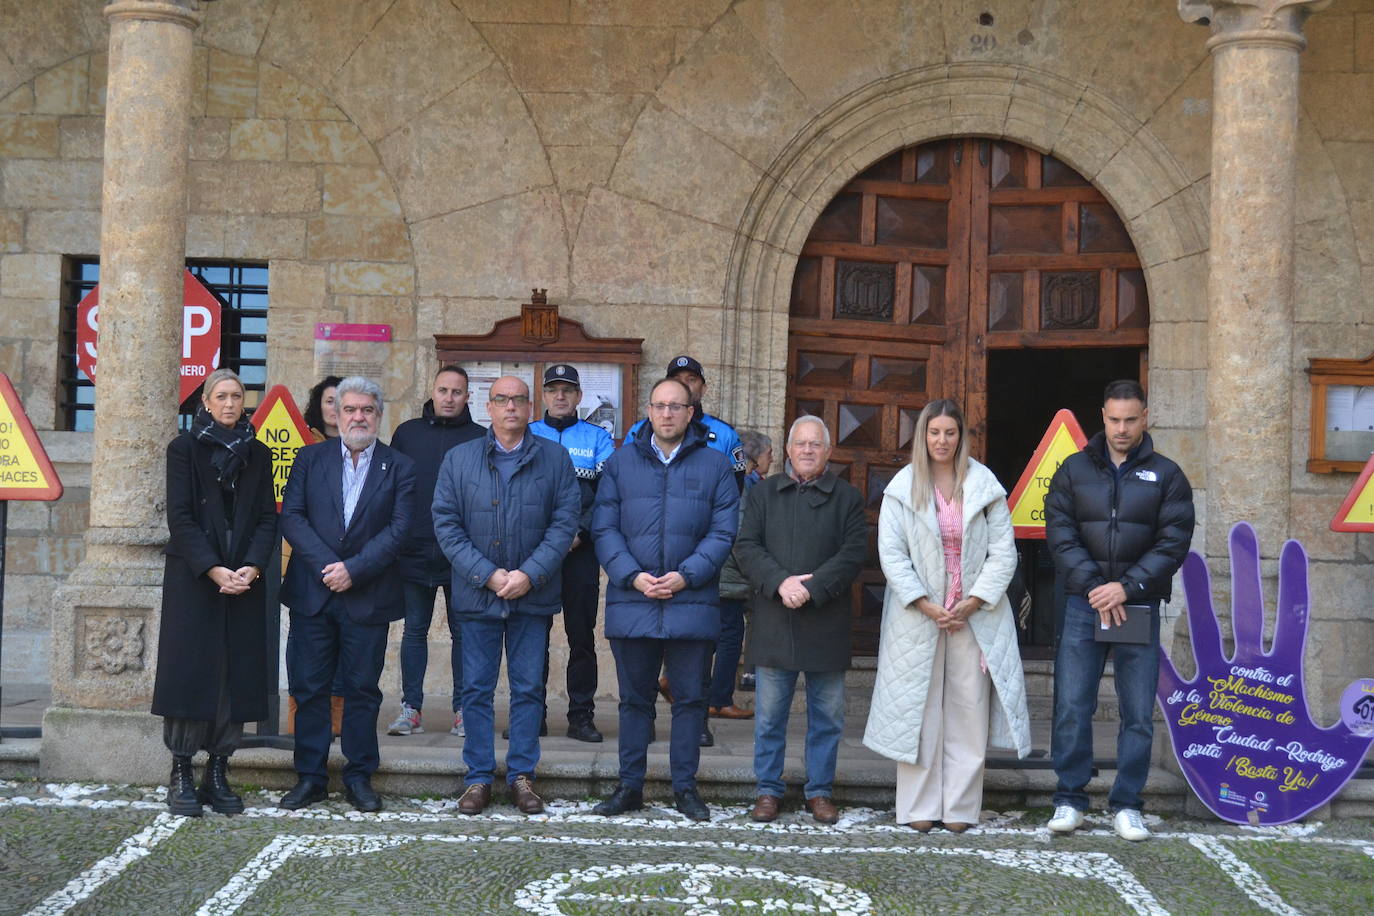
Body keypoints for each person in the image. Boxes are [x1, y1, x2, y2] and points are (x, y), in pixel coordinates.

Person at [864, 398, 1031, 833]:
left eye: (950, 433)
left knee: (967, 709)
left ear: (961, 437)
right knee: (918, 711)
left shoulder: (985, 485)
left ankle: (959, 807)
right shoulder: (903, 486)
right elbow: (892, 554)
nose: (942, 440)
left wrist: (974, 600)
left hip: (974, 614)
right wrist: (923, 601)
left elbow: (1003, 552)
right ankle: (917, 806)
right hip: (919, 615)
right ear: (923, 435)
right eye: (934, 432)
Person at [1044, 379, 1194, 842]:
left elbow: (1174, 542)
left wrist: (1125, 588)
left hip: (1138, 606)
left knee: (1135, 711)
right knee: (1071, 704)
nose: (1122, 428)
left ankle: (1128, 804)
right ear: (1102, 415)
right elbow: (1060, 533)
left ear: (1145, 417)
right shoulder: (1072, 469)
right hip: (1084, 604)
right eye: (1114, 419)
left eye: (1131, 419)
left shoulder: (1167, 475)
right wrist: (1096, 587)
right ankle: (1069, 799)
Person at [590, 376, 739, 821]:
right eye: (659, 406)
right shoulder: (620, 464)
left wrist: (685, 576)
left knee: (691, 701)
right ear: (649, 411)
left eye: (676, 406)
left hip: (689, 601)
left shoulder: (714, 465)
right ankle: (629, 787)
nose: (668, 413)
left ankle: (686, 789)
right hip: (633, 601)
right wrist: (632, 576)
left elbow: (724, 531)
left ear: (691, 412)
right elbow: (604, 527)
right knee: (634, 701)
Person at [432, 376, 580, 816]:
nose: (511, 407)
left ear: (529, 407)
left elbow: (564, 522)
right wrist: (489, 575)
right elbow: (446, 523)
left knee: (529, 688)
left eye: (518, 399)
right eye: (502, 399)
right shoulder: (459, 460)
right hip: (478, 597)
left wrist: (529, 575)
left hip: (532, 597)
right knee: (475, 690)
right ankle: (477, 779)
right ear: (489, 407)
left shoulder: (554, 458)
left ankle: (521, 776)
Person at [278, 376, 416, 813]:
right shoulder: (308, 459)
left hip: (367, 594)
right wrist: (329, 569)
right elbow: (293, 518)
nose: (358, 417)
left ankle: (359, 776)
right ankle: (311, 777)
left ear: (378, 415)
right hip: (313, 593)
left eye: (367, 410)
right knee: (309, 686)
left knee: (361, 690)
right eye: (350, 409)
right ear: (335, 414)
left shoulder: (399, 467)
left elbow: (399, 530)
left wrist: (354, 570)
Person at [152, 369, 277, 817]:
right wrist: (213, 568)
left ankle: (219, 770)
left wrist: (253, 566)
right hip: (195, 578)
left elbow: (267, 517)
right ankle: (182, 771)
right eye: (221, 396)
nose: (229, 403)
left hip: (243, 578)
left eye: (236, 396)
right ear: (205, 402)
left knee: (234, 676)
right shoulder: (183, 449)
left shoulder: (258, 454)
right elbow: (181, 518)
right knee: (190, 672)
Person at [734, 415, 867, 825]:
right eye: (800, 443)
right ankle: (768, 790)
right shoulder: (764, 494)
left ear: (828, 451)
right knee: (770, 716)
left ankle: (820, 791)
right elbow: (746, 546)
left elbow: (854, 552)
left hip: (826, 620)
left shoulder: (847, 498)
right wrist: (780, 582)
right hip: (776, 617)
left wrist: (813, 586)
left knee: (826, 718)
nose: (807, 450)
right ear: (788, 450)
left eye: (816, 444)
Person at [629, 355, 746, 746]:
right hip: (646, 557)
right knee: (643, 646)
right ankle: (643, 720)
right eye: (677, 379)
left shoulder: (723, 435)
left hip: (698, 557)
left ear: (701, 391)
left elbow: (733, 493)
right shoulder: (637, 432)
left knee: (699, 644)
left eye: (692, 379)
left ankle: (697, 721)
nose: (686, 384)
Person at [386, 365, 484, 739]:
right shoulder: (407, 434)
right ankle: (411, 709)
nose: (449, 398)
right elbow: (391, 490)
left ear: (467, 396)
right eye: (443, 390)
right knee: (414, 632)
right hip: (412, 552)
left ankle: (463, 711)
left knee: (464, 635)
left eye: (457, 392)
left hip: (461, 557)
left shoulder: (480, 438)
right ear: (433, 390)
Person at [529, 364, 616, 743]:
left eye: (567, 390)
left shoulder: (598, 438)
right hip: (536, 552)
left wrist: (577, 533)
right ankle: (532, 714)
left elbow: (607, 494)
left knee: (582, 636)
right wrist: (548, 539)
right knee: (533, 636)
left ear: (579, 397)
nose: (560, 396)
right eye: (553, 390)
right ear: (544, 396)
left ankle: (581, 715)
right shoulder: (529, 435)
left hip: (581, 551)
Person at [289, 374, 345, 738]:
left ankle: (339, 724)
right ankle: (302, 724)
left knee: (345, 658)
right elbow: (294, 513)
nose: (336, 408)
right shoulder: (303, 446)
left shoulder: (370, 452)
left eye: (343, 401)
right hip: (308, 567)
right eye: (330, 400)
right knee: (305, 654)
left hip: (353, 573)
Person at [712, 428, 775, 709]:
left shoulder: (739, 481)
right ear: (756, 456)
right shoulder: (744, 485)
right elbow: (739, 534)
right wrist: (754, 572)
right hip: (732, 577)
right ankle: (720, 699)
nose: (772, 459)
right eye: (770, 453)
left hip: (728, 574)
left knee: (720, 636)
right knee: (729, 639)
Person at [303, 375, 343, 441]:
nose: (336, 407)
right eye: (330, 401)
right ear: (318, 405)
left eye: (341, 402)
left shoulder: (361, 442)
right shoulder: (305, 438)